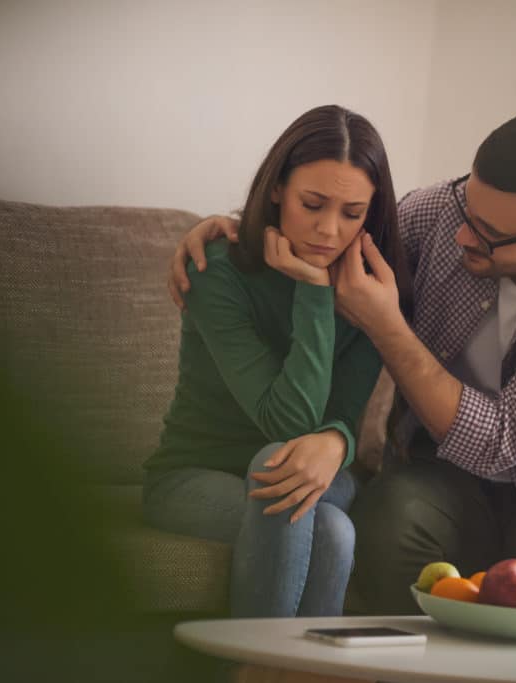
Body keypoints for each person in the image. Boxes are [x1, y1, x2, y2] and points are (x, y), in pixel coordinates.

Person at [168, 112, 516, 619]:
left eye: (488, 233)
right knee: (389, 510)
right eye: (467, 208)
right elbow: (333, 231)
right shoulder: (438, 214)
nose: (461, 237)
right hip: (452, 480)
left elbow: (498, 443)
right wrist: (235, 229)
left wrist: (385, 326)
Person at [143, 104, 411, 618]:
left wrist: (338, 440)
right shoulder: (216, 271)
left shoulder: (371, 290)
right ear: (276, 189)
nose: (329, 231)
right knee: (322, 521)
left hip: (320, 469)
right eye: (312, 204)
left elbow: (342, 415)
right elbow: (287, 423)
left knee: (284, 475)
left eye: (351, 214)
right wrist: (313, 291)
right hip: (193, 476)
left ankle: (256, 669)